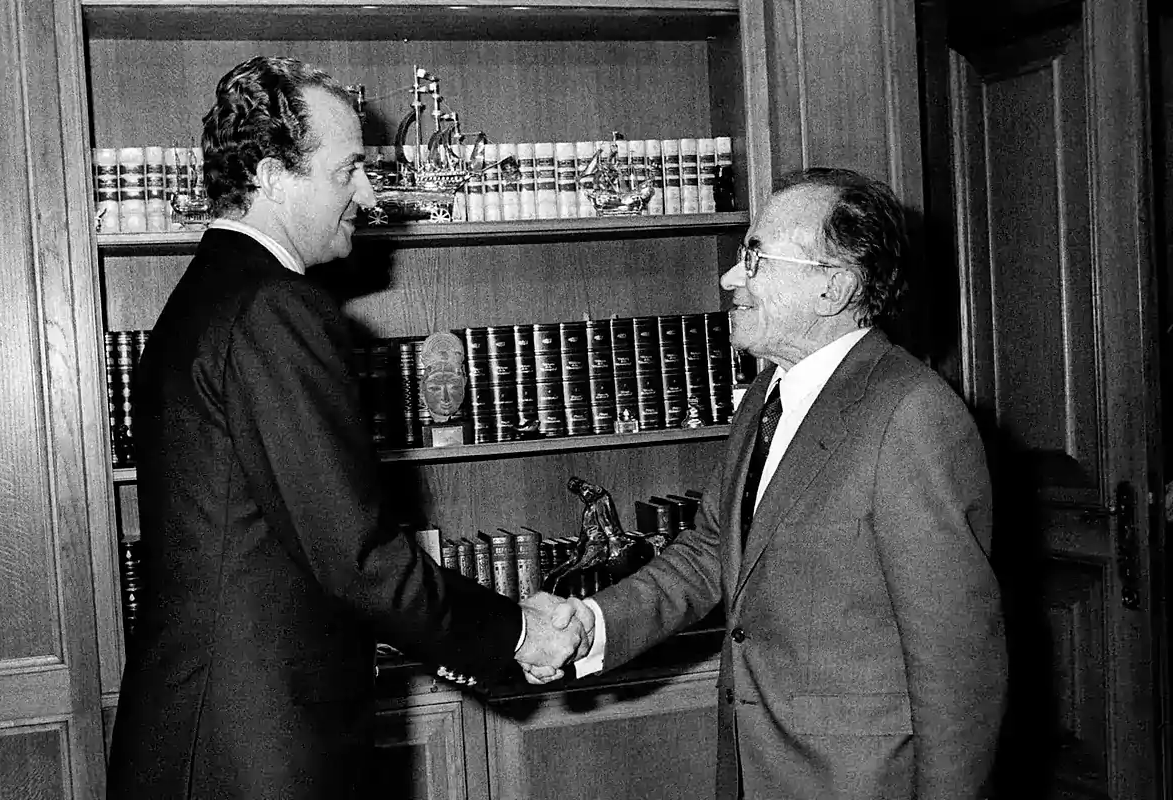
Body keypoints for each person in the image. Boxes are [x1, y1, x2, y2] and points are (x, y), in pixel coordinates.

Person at [107, 56, 583, 799]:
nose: (369, 192)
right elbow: (356, 555)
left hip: (216, 735)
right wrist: (515, 633)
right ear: (272, 176)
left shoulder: (211, 293)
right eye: (350, 168)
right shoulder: (274, 309)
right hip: (256, 749)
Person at [529, 168, 1007, 800]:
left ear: (832, 287)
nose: (732, 278)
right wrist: (593, 622)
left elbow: (958, 667)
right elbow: (710, 553)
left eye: (754, 256)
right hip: (758, 769)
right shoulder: (767, 394)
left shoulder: (913, 415)